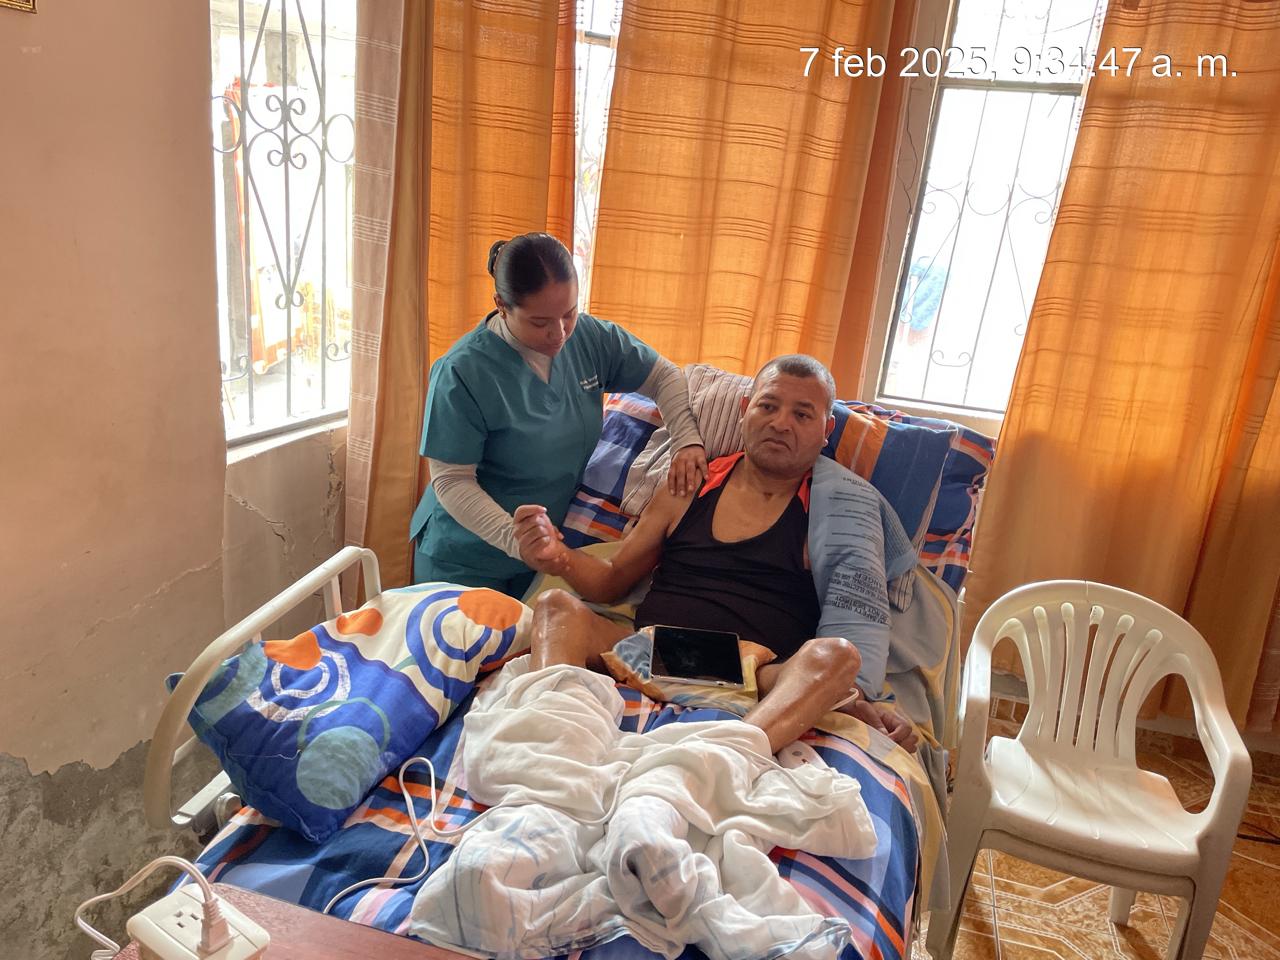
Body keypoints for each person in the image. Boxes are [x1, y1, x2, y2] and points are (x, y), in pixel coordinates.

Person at [512, 354, 920, 755]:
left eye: (802, 414)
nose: (781, 423)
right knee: (555, 606)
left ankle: (727, 753)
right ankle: (552, 731)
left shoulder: (839, 512)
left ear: (825, 429)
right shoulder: (689, 484)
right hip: (650, 654)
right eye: (768, 406)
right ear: (744, 410)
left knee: (837, 656)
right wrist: (558, 557)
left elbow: (853, 627)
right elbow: (610, 581)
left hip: (757, 676)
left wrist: (857, 700)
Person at [410, 233, 707, 597]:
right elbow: (451, 481)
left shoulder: (589, 338)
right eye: (539, 322)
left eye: (569, 313)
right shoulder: (462, 372)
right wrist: (515, 540)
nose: (559, 333)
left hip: (540, 551)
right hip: (464, 555)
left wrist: (686, 438)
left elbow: (664, 376)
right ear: (501, 305)